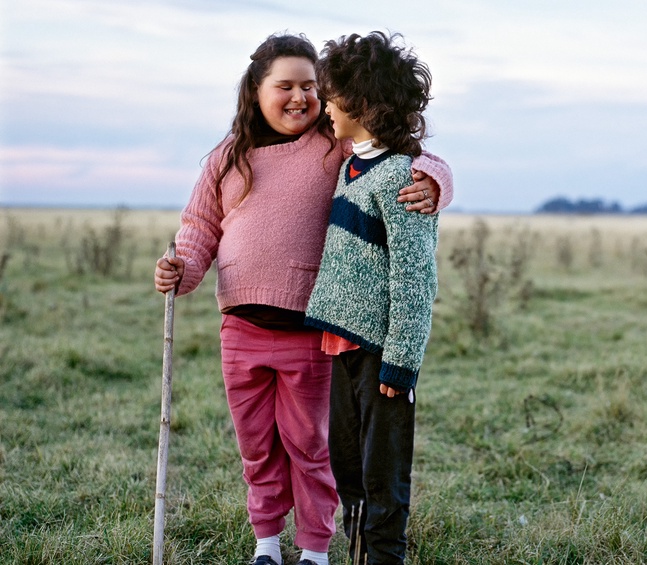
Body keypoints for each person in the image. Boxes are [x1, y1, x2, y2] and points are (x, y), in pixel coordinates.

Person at [152, 33, 452, 565]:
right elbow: (201, 228)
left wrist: (435, 181)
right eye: (284, 85)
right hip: (240, 329)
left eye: (312, 87)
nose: (300, 97)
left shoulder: (331, 143)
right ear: (255, 90)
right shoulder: (228, 157)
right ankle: (266, 543)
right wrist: (183, 268)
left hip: (311, 332)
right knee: (257, 447)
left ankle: (315, 548)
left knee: (311, 447)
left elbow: (406, 155)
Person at [303, 31, 439, 565]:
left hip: (382, 353)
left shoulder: (400, 177)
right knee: (348, 466)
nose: (324, 106)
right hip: (341, 345)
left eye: (332, 95)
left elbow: (414, 277)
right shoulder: (348, 165)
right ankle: (357, 550)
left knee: (383, 474)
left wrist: (402, 362)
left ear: (362, 102)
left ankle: (385, 557)